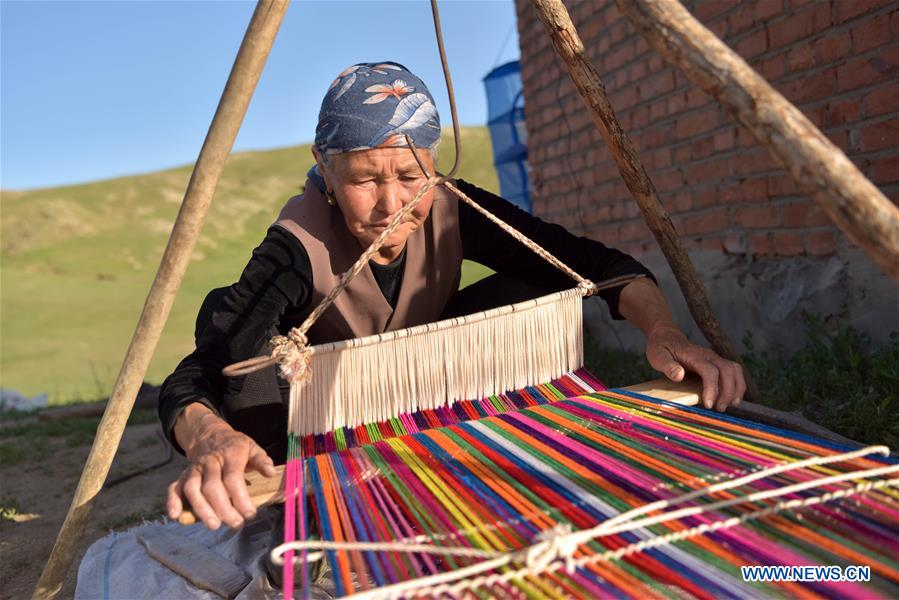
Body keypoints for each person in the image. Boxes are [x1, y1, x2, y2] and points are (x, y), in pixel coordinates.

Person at [158, 61, 746, 533]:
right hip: (330, 406)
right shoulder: (297, 245)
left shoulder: (451, 206)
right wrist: (211, 436)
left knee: (542, 279)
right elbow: (200, 372)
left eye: (413, 178)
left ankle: (509, 434)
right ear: (326, 170)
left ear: (436, 167)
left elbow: (601, 268)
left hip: (430, 386)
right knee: (241, 369)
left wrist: (665, 333)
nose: (393, 206)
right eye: (365, 180)